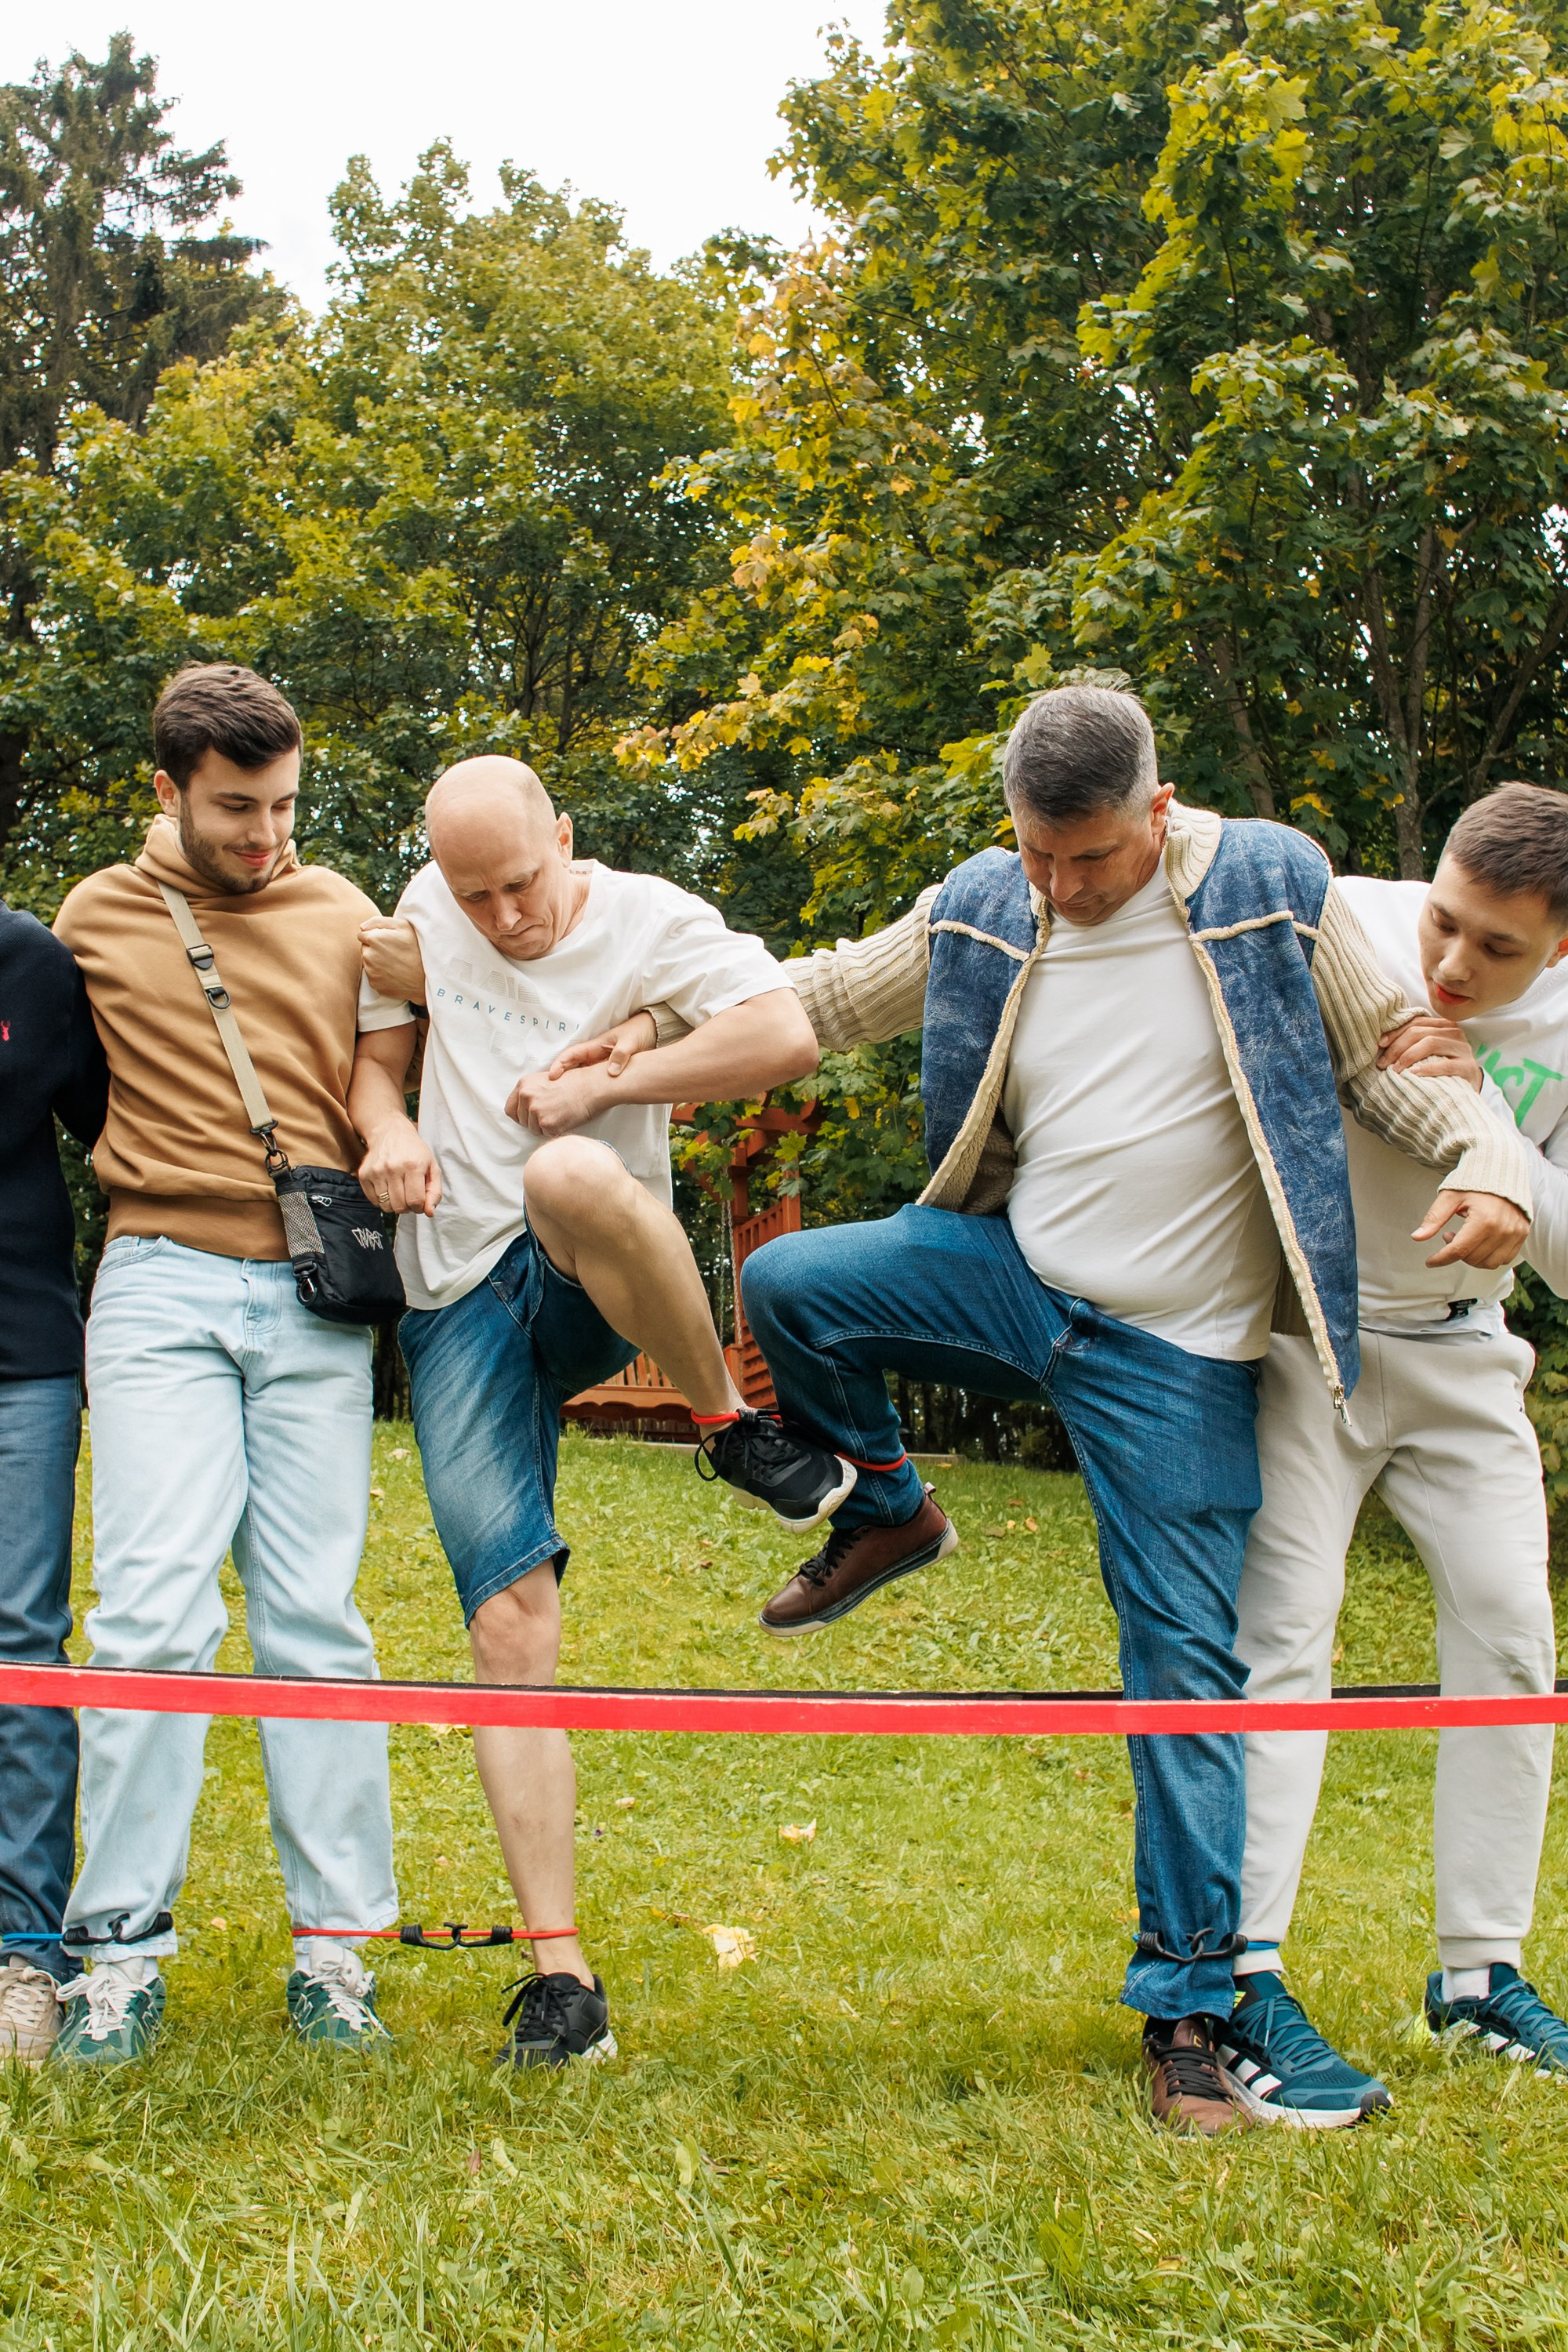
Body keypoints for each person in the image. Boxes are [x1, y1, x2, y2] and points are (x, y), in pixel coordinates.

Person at [716, 684, 1532, 2135]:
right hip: (1019, 1281)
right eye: (1036, 853)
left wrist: (1494, 1163)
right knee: (793, 1283)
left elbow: (1395, 1074)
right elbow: (827, 995)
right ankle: (893, 1510)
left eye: (1087, 859)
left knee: (1188, 1670)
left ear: (1156, 813)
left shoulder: (1273, 887)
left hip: (1190, 1359)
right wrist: (636, 1025)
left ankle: (1194, 2014)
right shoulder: (999, 899)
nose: (1059, 886)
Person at [353, 756, 829, 2071]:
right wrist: (387, 1127)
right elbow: (375, 1071)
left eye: (522, 882)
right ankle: (563, 1985)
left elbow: (785, 1034)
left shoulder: (651, 920)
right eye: (474, 894)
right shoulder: (425, 909)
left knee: (568, 1167)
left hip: (586, 1266)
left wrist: (616, 1078)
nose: (503, 916)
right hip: (454, 1297)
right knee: (509, 1626)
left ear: (566, 838)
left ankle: (732, 1424)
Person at [49, 662, 413, 2066]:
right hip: (157, 1286)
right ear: (169, 790)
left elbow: (409, 1055)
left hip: (314, 1298)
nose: (266, 835)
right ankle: (118, 1956)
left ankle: (339, 1957)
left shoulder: (345, 914)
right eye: (235, 809)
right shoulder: (95, 916)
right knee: (149, 1617)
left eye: (282, 806)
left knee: (317, 1622)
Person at [1223, 782, 1568, 2122]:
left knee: (1512, 1644)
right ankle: (1250, 1969)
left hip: (1465, 1353)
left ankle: (1479, 1975)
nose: (1451, 965)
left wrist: (1494, 1134)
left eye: (1499, 949)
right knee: (1284, 1639)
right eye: (1446, 922)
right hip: (1309, 1338)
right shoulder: (1345, 928)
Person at [0, 898, 108, 2061]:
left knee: (21, 1641)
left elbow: (122, 1132)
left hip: (21, 1357)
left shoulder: (30, 962)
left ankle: (25, 1952)